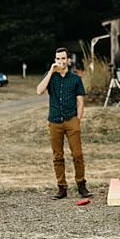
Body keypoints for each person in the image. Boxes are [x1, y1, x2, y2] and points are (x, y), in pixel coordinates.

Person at [36, 47, 92, 200]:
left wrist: (77, 120)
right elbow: (39, 91)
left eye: (63, 58)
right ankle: (62, 187)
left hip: (71, 120)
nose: (60, 61)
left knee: (77, 155)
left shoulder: (75, 79)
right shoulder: (51, 77)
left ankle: (81, 185)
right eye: (58, 59)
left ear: (68, 60)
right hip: (54, 122)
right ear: (55, 60)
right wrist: (50, 71)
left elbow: (80, 102)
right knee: (58, 156)